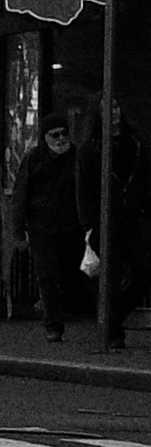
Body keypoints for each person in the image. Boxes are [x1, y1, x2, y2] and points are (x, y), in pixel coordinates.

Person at [78, 123, 151, 353]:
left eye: (116, 107)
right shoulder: (91, 149)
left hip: (134, 218)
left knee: (142, 272)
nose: (113, 112)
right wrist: (89, 223)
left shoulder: (136, 145)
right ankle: (113, 332)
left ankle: (113, 320)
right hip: (104, 219)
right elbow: (84, 187)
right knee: (110, 275)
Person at [21, 116, 85, 342]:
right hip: (43, 227)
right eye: (55, 135)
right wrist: (19, 228)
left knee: (70, 273)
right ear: (45, 137)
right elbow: (22, 193)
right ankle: (53, 325)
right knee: (47, 276)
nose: (61, 139)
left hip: (71, 226)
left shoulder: (77, 158)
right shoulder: (34, 159)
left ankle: (66, 311)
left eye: (64, 133)